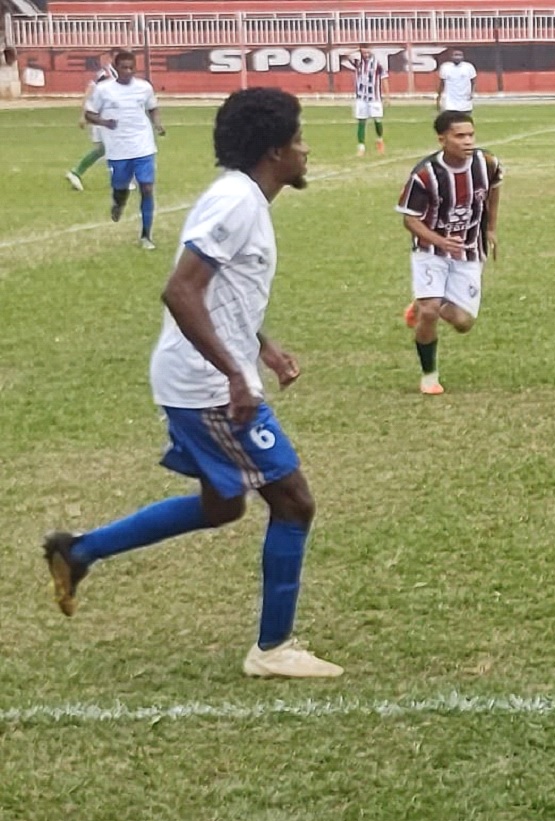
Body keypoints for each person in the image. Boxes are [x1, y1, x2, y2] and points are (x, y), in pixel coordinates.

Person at [42, 88, 342, 679]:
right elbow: (180, 291)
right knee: (294, 502)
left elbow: (221, 291)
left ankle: (78, 551)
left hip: (199, 378)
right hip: (207, 388)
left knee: (222, 505)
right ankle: (272, 649)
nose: (306, 150)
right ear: (274, 150)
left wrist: (262, 345)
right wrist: (235, 374)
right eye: (299, 140)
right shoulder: (237, 203)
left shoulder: (242, 198)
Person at [399, 111, 504, 395]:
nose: (468, 141)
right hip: (429, 250)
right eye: (460, 136)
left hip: (469, 251)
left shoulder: (487, 163)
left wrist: (491, 228)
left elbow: (494, 189)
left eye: (471, 135)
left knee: (463, 322)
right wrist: (441, 242)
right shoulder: (425, 175)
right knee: (430, 312)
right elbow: (410, 219)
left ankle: (422, 302)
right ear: (442, 139)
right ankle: (429, 376)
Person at [84, 49, 165, 250]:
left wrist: (157, 124)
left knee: (147, 188)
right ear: (116, 68)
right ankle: (118, 203)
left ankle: (146, 236)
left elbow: (152, 108)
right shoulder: (104, 90)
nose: (128, 71)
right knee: (120, 187)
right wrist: (104, 122)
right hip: (118, 148)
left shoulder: (144, 87)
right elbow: (89, 114)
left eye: (131, 68)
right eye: (124, 68)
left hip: (143, 145)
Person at [64, 49, 117, 191]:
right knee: (113, 147)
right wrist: (83, 114)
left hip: (107, 116)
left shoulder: (117, 74)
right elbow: (89, 92)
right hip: (101, 117)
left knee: (103, 149)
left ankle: (76, 172)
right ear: (111, 58)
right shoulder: (105, 74)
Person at [349, 44, 387, 156]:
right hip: (361, 97)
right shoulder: (358, 63)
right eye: (363, 52)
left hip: (374, 97)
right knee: (361, 121)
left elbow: (384, 78)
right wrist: (356, 49)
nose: (365, 54)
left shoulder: (377, 64)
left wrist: (387, 95)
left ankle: (379, 140)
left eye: (367, 51)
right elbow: (344, 56)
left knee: (377, 120)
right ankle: (361, 147)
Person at [436, 48, 477, 115]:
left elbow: (473, 82)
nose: (457, 57)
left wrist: (472, 93)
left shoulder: (469, 67)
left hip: (464, 99)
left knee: (465, 118)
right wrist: (439, 96)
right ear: (451, 56)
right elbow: (442, 83)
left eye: (459, 55)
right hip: (449, 101)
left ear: (463, 57)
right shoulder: (445, 67)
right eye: (455, 55)